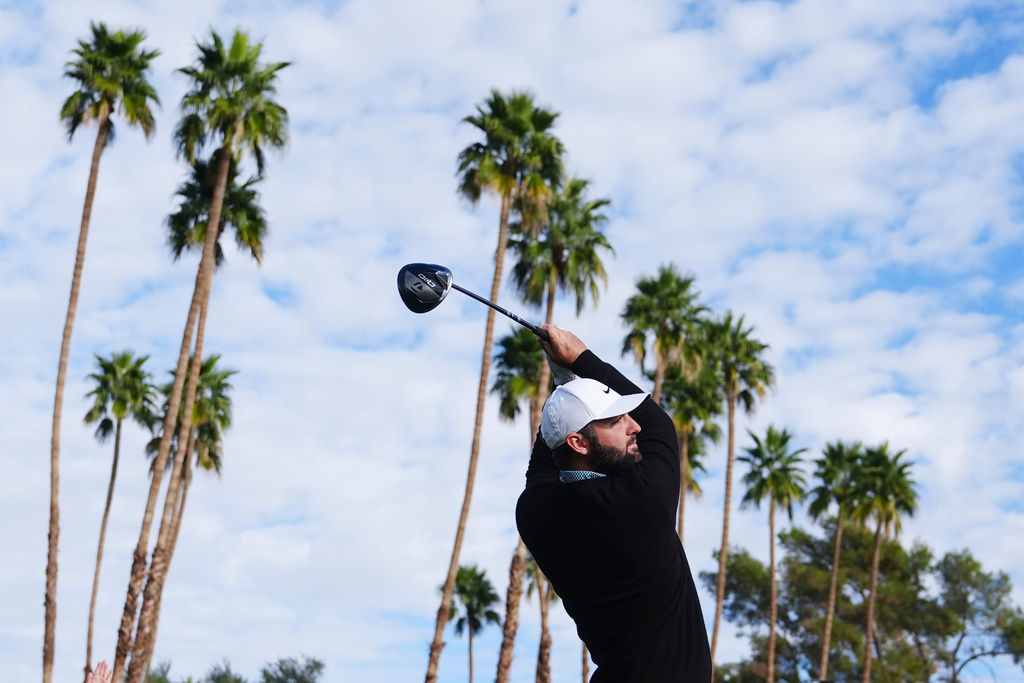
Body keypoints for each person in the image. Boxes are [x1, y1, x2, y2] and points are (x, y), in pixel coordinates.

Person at [516, 325, 712, 682]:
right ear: (579, 442)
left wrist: (566, 388)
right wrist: (579, 359)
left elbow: (549, 454)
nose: (633, 425)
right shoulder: (641, 502)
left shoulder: (534, 512)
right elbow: (659, 426)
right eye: (616, 419)